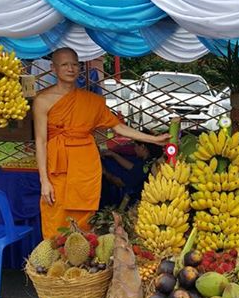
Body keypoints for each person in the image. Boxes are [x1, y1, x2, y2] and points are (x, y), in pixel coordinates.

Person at [33, 47, 170, 240]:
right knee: (56, 215)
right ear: (54, 69)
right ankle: (53, 264)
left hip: (85, 164)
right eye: (65, 64)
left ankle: (80, 264)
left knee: (83, 218)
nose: (71, 68)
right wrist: (44, 181)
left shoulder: (92, 101)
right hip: (58, 167)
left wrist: (153, 139)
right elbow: (40, 140)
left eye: (75, 64)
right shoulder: (42, 100)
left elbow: (118, 127)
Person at [99, 141, 162, 208]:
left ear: (142, 147)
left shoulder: (147, 166)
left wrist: (106, 173)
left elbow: (122, 182)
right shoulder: (147, 162)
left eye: (136, 146)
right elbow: (132, 167)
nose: (134, 149)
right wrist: (113, 155)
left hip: (139, 202)